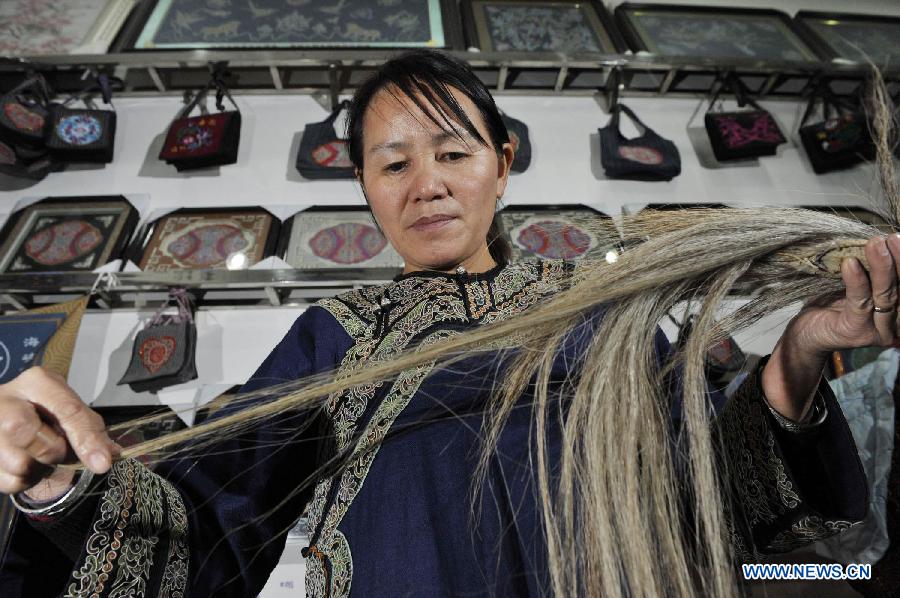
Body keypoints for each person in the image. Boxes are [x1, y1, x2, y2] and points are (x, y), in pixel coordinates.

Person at [0, 49, 894, 597]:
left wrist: (805, 343)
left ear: (501, 167)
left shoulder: (601, 311)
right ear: (365, 189)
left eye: (454, 153)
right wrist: (56, 480)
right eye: (392, 165)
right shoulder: (337, 334)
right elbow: (214, 508)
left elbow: (716, 477)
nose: (425, 184)